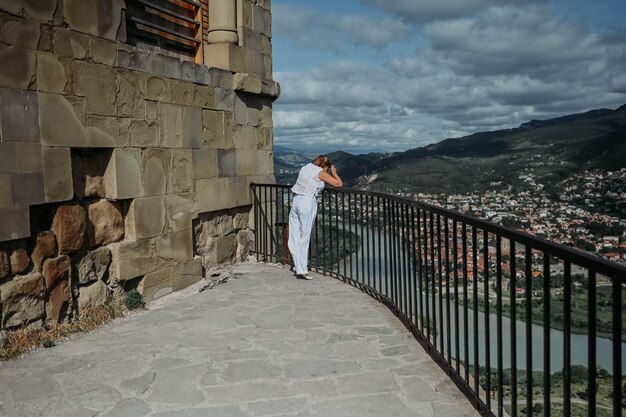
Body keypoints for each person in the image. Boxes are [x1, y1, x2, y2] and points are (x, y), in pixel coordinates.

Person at [288, 155, 343, 280]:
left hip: (296, 200)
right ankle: (302, 269)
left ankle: (297, 264)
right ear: (325, 166)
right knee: (305, 236)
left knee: (294, 235)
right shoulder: (319, 172)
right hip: (307, 202)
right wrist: (334, 173)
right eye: (327, 168)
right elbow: (338, 184)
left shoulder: (305, 167)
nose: (326, 171)